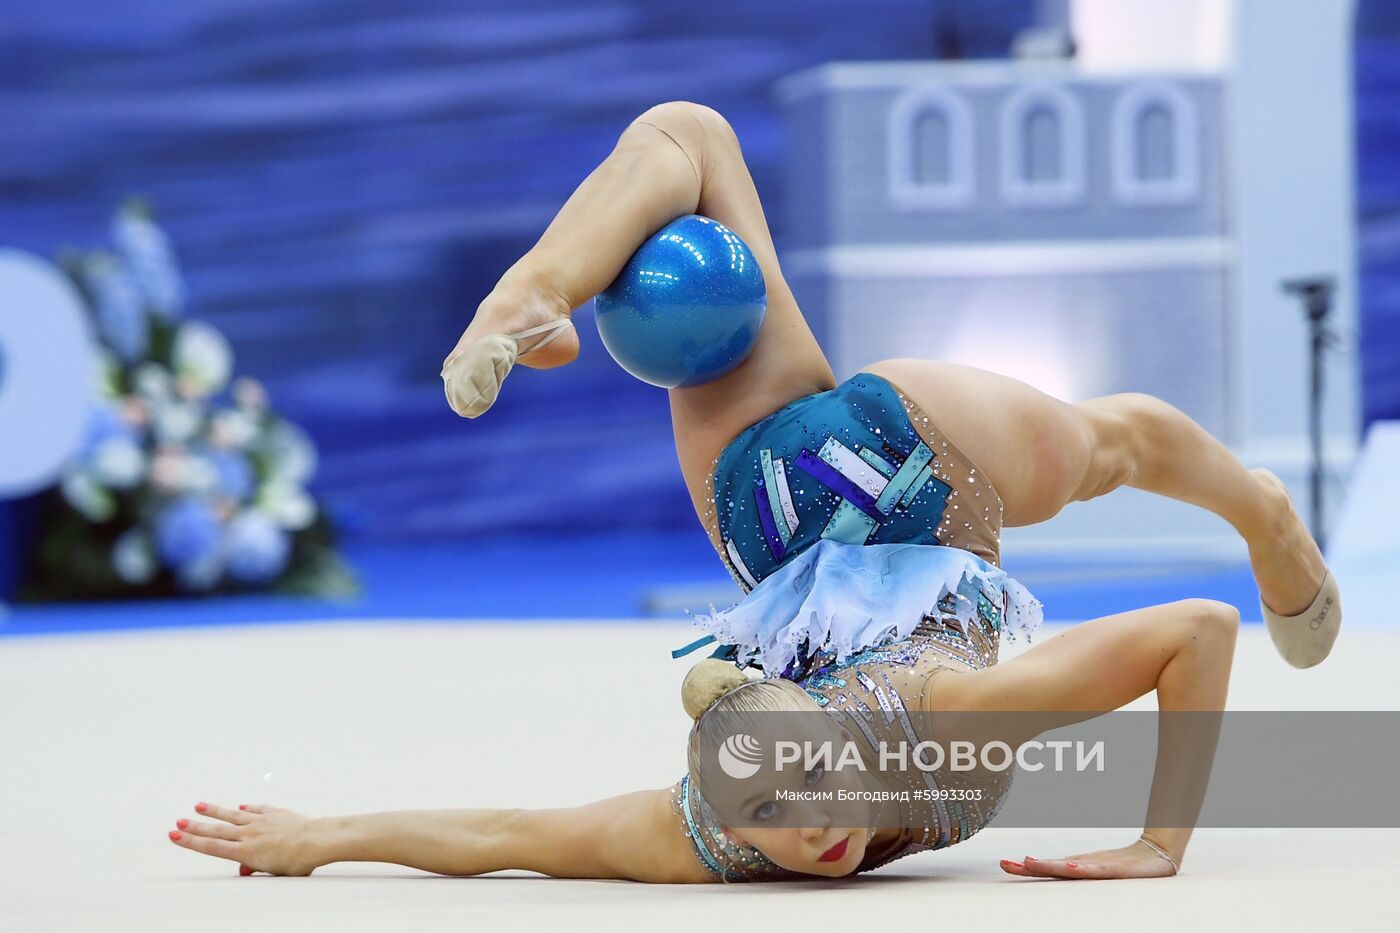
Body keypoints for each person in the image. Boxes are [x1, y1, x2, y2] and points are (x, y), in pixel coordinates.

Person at [168, 102, 1340, 883]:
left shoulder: (935, 732)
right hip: (777, 518)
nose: (816, 826)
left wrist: (1158, 841)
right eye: (774, 815)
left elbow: (1195, 626)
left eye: (814, 781)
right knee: (687, 134)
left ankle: (1263, 513)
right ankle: (538, 292)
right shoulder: (711, 834)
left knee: (1113, 447)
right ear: (720, 818)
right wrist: (321, 839)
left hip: (915, 471)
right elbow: (509, 837)